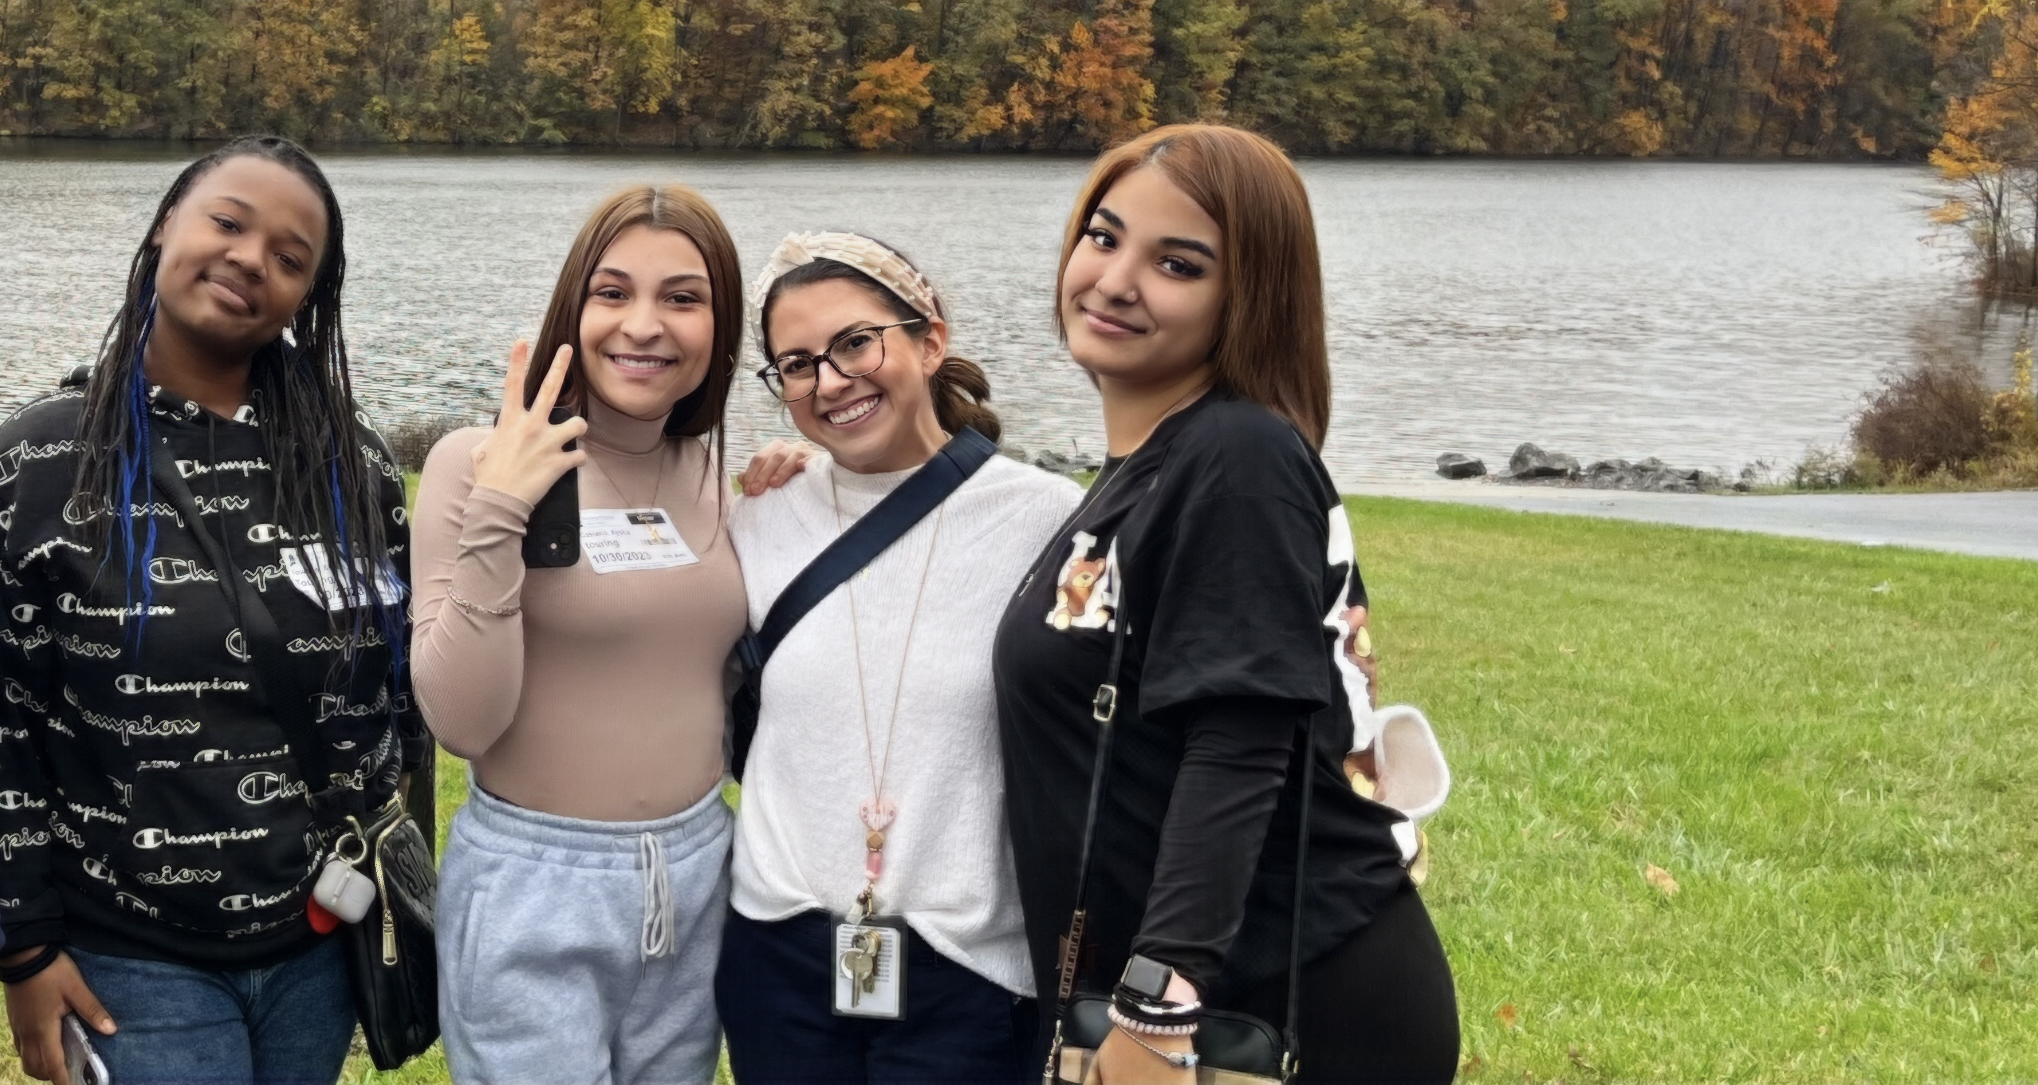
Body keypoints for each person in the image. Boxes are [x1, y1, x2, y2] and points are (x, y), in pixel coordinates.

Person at [994, 123, 1461, 1084]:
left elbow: (1239, 740)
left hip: (1272, 1002)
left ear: (1247, 299)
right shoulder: (1151, 469)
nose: (1116, 279)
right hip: (1185, 998)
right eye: (1103, 236)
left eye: (1177, 263)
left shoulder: (1237, 457)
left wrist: (1155, 1002)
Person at [0, 135, 424, 1085]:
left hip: (317, 944)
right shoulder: (39, 466)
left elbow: (401, 699)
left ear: (309, 295)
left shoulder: (356, 467)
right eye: (227, 221)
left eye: (291, 257)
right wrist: (25, 943)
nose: (252, 258)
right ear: (166, 226)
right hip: (130, 951)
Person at [717, 231, 1082, 1082]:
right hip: (777, 950)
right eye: (797, 364)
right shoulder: (760, 519)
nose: (831, 381)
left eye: (855, 342)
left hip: (971, 964)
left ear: (929, 338)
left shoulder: (1047, 521)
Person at [407, 185, 748, 1085]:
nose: (644, 325)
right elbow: (462, 722)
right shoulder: (473, 462)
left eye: (683, 297)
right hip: (535, 881)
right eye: (612, 292)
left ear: (721, 325)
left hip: (699, 872)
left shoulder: (720, 476)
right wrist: (501, 508)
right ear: (573, 306)